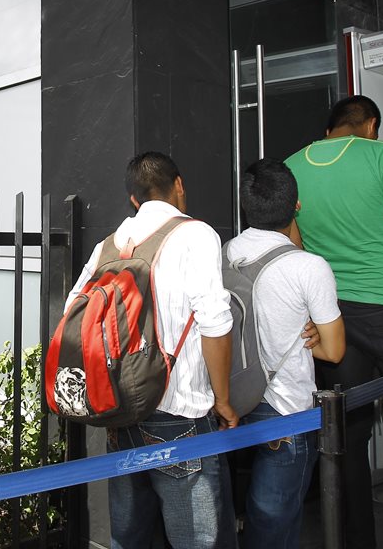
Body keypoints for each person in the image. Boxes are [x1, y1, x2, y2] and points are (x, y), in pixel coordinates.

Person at [283, 95, 383, 549]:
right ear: (371, 125)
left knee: (346, 437)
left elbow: (296, 246)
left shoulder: (294, 164)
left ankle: (355, 541)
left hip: (333, 314)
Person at [69, 152, 235, 549]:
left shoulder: (107, 245)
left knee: (129, 537)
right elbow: (215, 323)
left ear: (133, 199)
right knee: (198, 540)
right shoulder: (196, 234)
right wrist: (224, 400)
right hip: (180, 416)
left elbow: (72, 313)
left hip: (119, 410)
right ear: (179, 185)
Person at [226, 160, 344, 549]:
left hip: (233, 396)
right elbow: (333, 350)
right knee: (275, 519)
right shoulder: (310, 267)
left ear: (246, 206)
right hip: (287, 405)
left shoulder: (225, 253)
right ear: (297, 207)